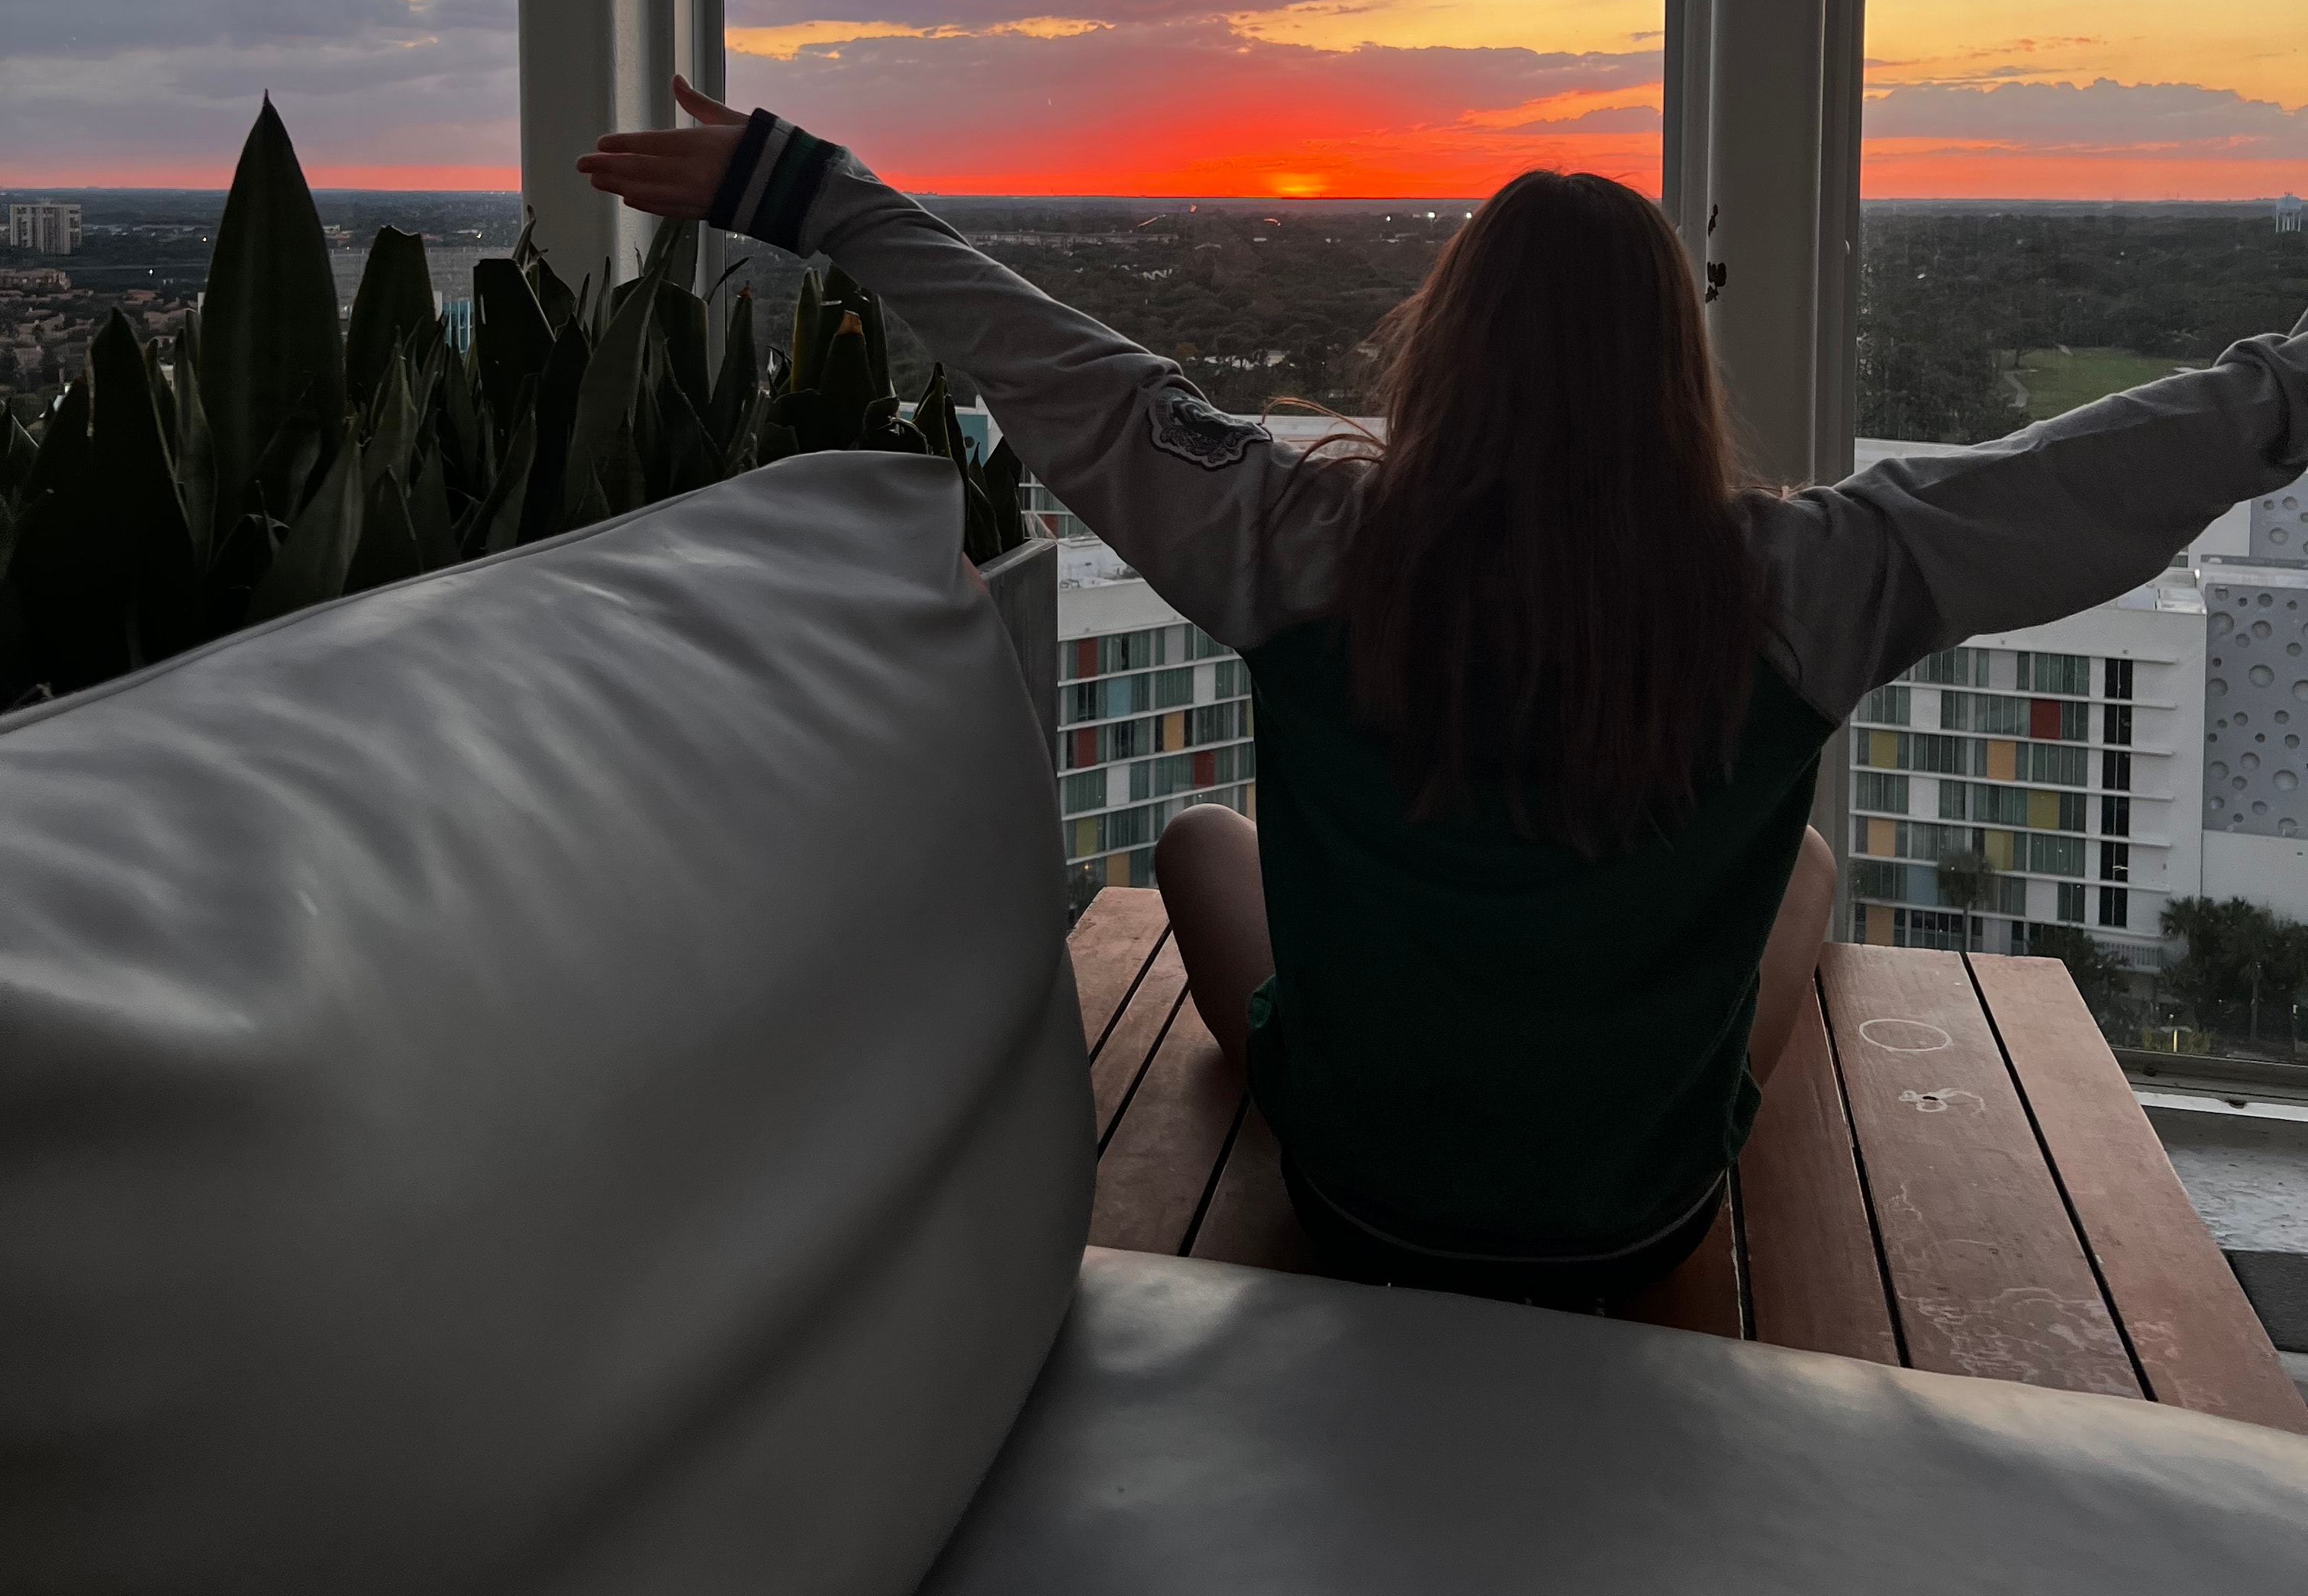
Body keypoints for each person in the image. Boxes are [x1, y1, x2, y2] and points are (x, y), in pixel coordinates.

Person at [580, 81, 2308, 1311]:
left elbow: (1075, 382)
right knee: (1806, 872)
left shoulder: (1299, 541)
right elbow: (2108, 470)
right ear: (1671, 362)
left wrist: (808, 189)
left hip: (1364, 1199)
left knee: (1194, 835)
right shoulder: (1806, 581)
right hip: (1640, 1225)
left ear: (1448, 345)